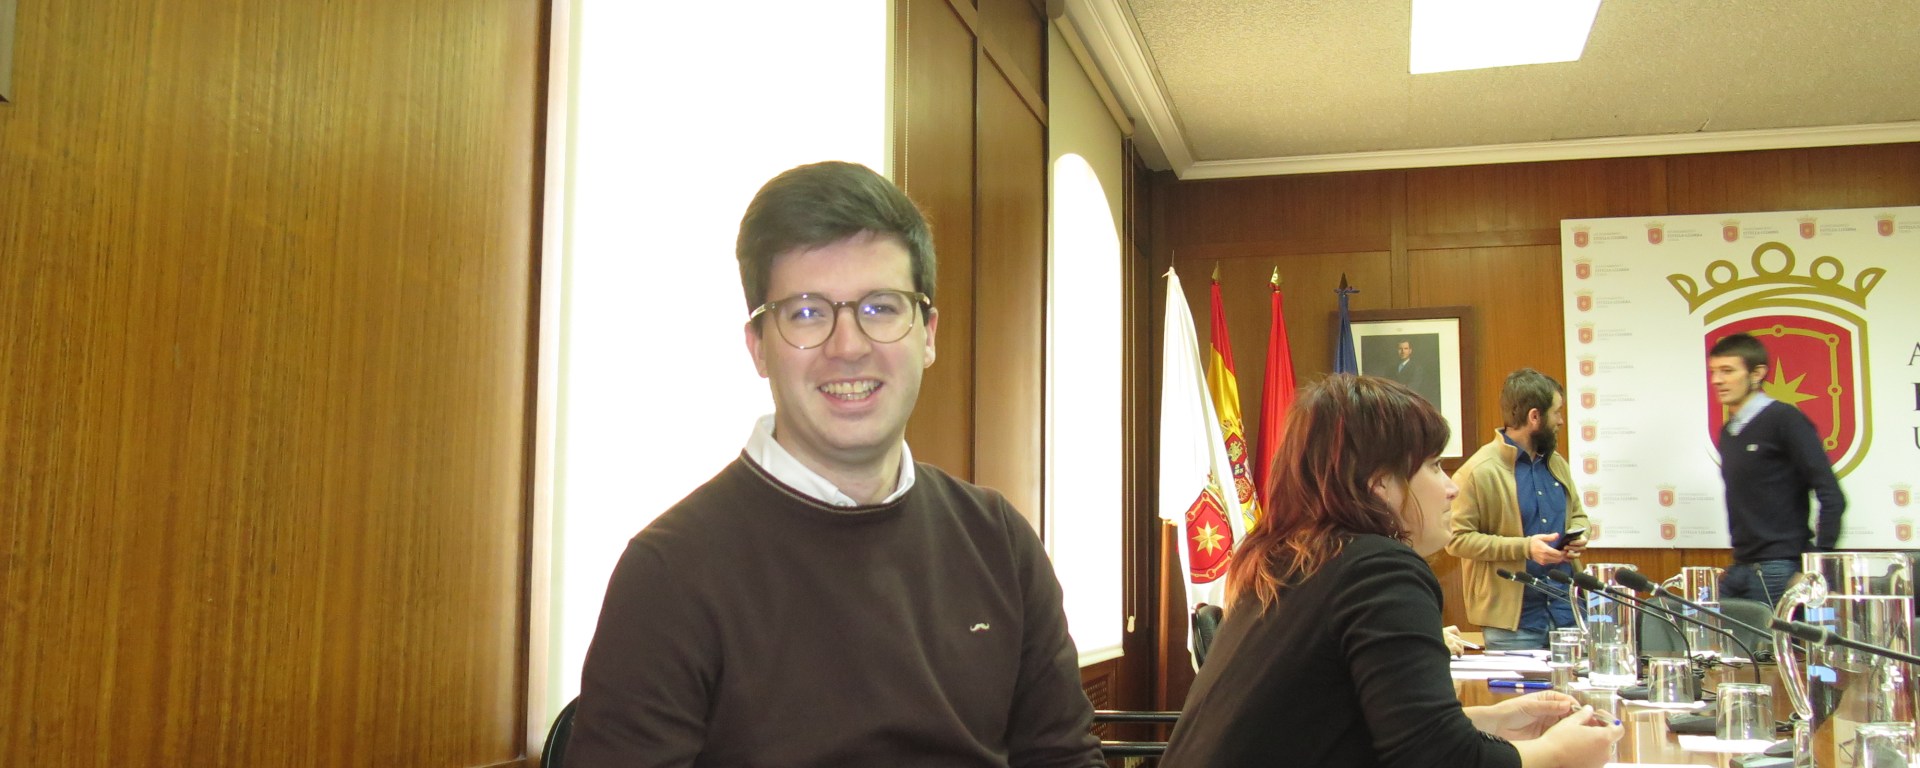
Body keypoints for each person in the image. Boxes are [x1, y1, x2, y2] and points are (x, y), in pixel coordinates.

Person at [565, 161, 1101, 767]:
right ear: (758, 347)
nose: (848, 347)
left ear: (927, 334)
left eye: (881, 308)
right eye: (806, 313)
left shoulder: (998, 541)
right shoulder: (670, 573)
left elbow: (1064, 758)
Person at [1160, 375, 1620, 768]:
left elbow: (1364, 726)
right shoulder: (1379, 569)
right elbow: (1436, 760)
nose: (1451, 488)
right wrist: (1557, 753)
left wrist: (1491, 721)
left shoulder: (1292, 557)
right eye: (1434, 466)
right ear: (1380, 483)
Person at [1446, 369, 1588, 650]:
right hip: (1515, 626)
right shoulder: (1477, 472)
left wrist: (1579, 535)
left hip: (1569, 615)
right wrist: (1525, 548)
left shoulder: (1556, 463)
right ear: (1535, 417)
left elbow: (1579, 515)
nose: (1561, 421)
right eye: (1557, 412)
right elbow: (1456, 540)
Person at [1709, 332, 1846, 605]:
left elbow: (1832, 496)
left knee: (1767, 636)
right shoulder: (1729, 432)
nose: (1717, 380)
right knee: (1710, 629)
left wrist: (1816, 567)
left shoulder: (1785, 419)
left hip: (1780, 568)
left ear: (1757, 373)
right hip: (1740, 566)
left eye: (1727, 371)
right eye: (1713, 371)